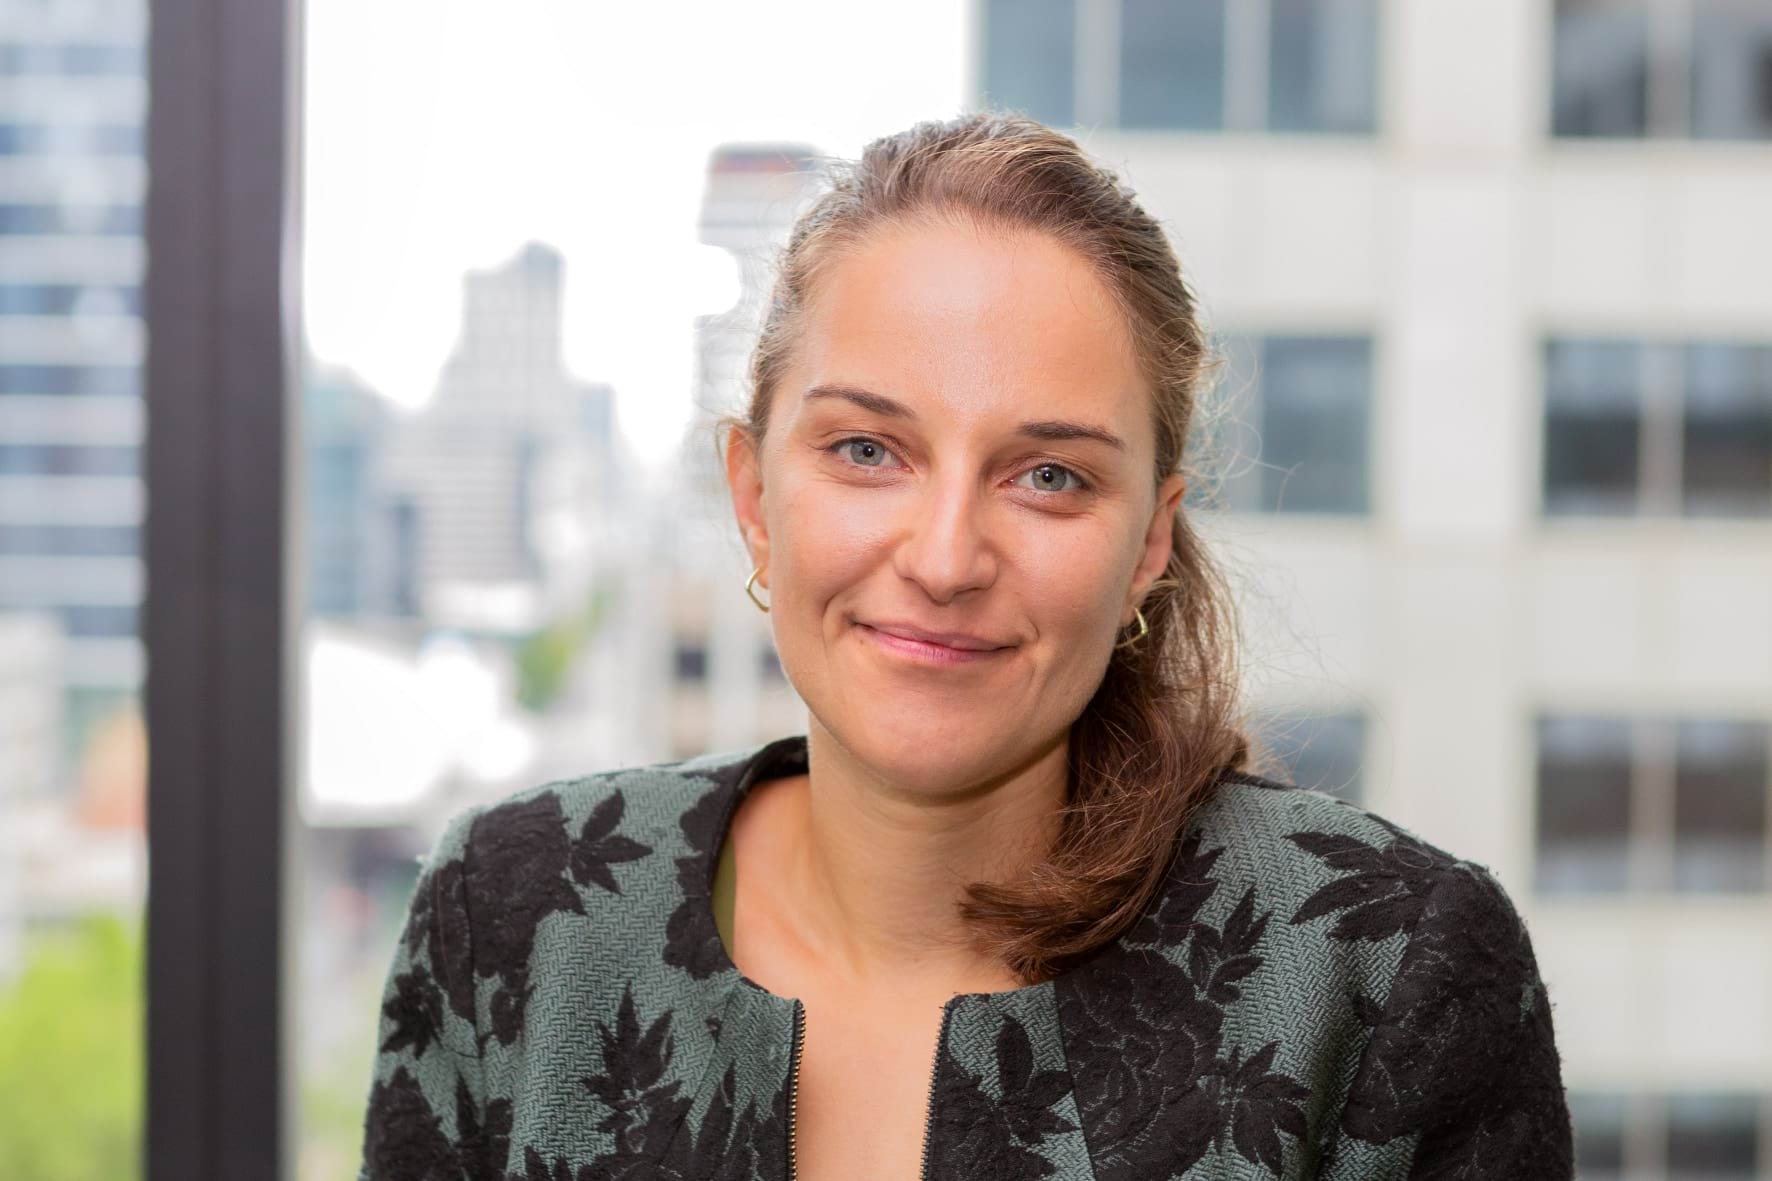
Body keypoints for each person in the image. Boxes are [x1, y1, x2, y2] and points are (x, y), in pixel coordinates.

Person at [358, 111, 1574, 1181]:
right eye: (865, 451)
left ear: (1149, 541)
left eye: (1047, 476)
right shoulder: (512, 912)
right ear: (750, 496)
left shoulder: (1382, 967)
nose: (945, 557)